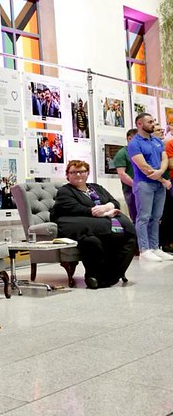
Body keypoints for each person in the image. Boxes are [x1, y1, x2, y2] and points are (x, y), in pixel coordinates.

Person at [50, 160, 136, 289]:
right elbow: (76, 208)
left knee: (129, 239)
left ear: (87, 173)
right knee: (92, 241)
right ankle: (93, 276)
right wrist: (103, 213)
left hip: (100, 223)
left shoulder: (96, 187)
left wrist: (107, 206)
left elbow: (113, 201)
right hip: (77, 226)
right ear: (68, 175)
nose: (78, 175)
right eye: (74, 172)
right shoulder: (65, 191)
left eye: (82, 171)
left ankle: (110, 276)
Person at [127, 112, 173, 262]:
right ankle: (144, 249)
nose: (153, 124)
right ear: (140, 124)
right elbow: (144, 167)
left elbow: (164, 159)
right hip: (144, 184)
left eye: (153, 121)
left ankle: (155, 247)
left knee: (156, 217)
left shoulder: (157, 141)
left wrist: (160, 172)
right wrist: (162, 179)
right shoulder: (135, 143)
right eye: (150, 122)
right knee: (144, 217)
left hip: (158, 183)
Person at [113, 128, 139, 223]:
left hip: (146, 188)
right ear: (129, 139)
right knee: (137, 217)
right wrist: (136, 186)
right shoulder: (122, 154)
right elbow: (122, 174)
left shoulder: (141, 152)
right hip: (131, 190)